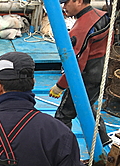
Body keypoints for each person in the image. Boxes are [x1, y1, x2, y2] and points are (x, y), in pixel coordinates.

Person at [50, 0, 111, 146]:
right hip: (101, 72)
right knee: (88, 107)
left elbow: (76, 63)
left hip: (85, 78)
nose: (64, 7)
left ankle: (62, 150)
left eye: (66, 3)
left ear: (78, 1)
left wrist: (60, 86)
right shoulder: (102, 16)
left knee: (63, 115)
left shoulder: (82, 28)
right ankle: (103, 140)